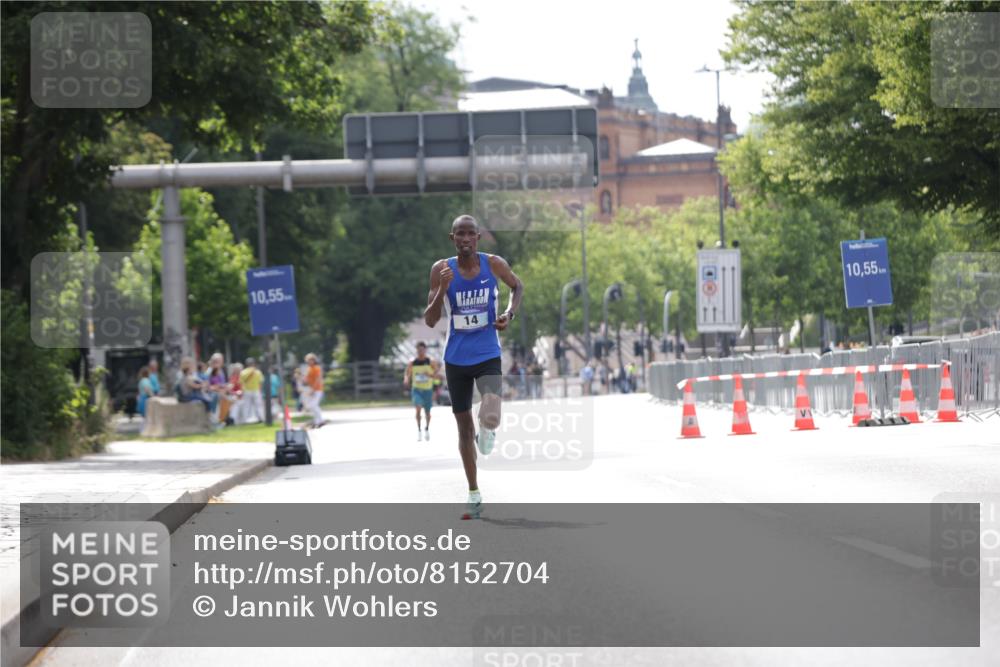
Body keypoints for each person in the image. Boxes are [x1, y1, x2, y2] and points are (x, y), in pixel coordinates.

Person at [423, 214, 523, 520]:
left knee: (491, 413)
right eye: (460, 235)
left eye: (471, 234)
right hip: (456, 359)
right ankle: (474, 492)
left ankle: (488, 429)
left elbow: (517, 286)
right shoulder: (441, 270)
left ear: (477, 237)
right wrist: (441, 290)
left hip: (488, 351)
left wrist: (508, 314)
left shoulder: (494, 264)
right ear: (452, 239)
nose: (466, 239)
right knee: (463, 430)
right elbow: (430, 320)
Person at [404, 341, 440, 441]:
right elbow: (407, 373)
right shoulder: (412, 362)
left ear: (425, 350)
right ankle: (419, 430)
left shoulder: (430, 361)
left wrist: (430, 375)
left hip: (428, 389)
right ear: (416, 350)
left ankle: (427, 429)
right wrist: (406, 379)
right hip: (416, 389)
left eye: (422, 350)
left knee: (427, 412)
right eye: (419, 350)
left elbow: (437, 373)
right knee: (418, 408)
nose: (420, 351)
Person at [302, 353, 325, 428]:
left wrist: (313, 389)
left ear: (314, 360)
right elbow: (306, 380)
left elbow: (318, 379)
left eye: (310, 360)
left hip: (318, 389)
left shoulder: (317, 368)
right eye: (308, 360)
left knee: (314, 405)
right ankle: (317, 421)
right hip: (311, 389)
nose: (309, 362)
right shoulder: (309, 369)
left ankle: (320, 420)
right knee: (311, 406)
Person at [239, 358, 265, 423]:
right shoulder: (258, 372)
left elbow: (241, 383)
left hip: (247, 391)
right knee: (258, 406)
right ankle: (261, 418)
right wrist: (260, 391)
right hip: (256, 390)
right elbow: (261, 382)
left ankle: (245, 419)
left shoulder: (243, 372)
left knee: (247, 406)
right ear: (254, 364)